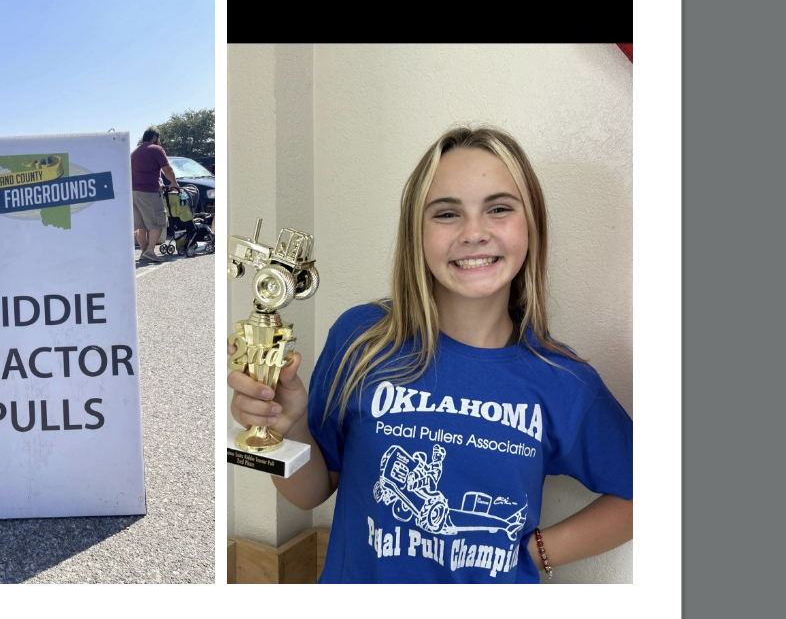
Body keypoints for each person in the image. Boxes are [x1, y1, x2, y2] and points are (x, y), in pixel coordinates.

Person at [228, 126, 633, 583]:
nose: (474, 233)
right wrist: (288, 426)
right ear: (416, 233)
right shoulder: (362, 340)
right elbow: (311, 494)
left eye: (499, 209)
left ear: (531, 224)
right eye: (446, 214)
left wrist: (539, 553)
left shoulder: (563, 380)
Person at [131, 126, 180, 262]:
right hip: (149, 192)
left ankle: (143, 252)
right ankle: (151, 251)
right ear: (154, 137)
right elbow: (167, 169)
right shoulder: (156, 149)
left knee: (141, 226)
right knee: (158, 223)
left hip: (134, 192)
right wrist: (174, 183)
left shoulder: (135, 152)